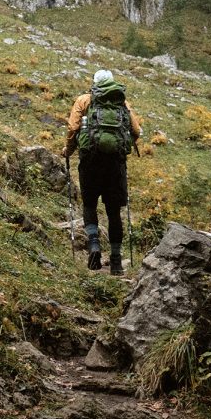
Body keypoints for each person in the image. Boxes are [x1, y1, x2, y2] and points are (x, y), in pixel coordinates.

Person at [63, 68, 141, 275]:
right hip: (115, 164)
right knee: (114, 211)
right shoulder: (122, 103)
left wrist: (68, 151)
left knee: (89, 205)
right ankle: (116, 262)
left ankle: (94, 244)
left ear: (94, 83)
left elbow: (73, 128)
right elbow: (136, 131)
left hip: (90, 162)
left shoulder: (84, 100)